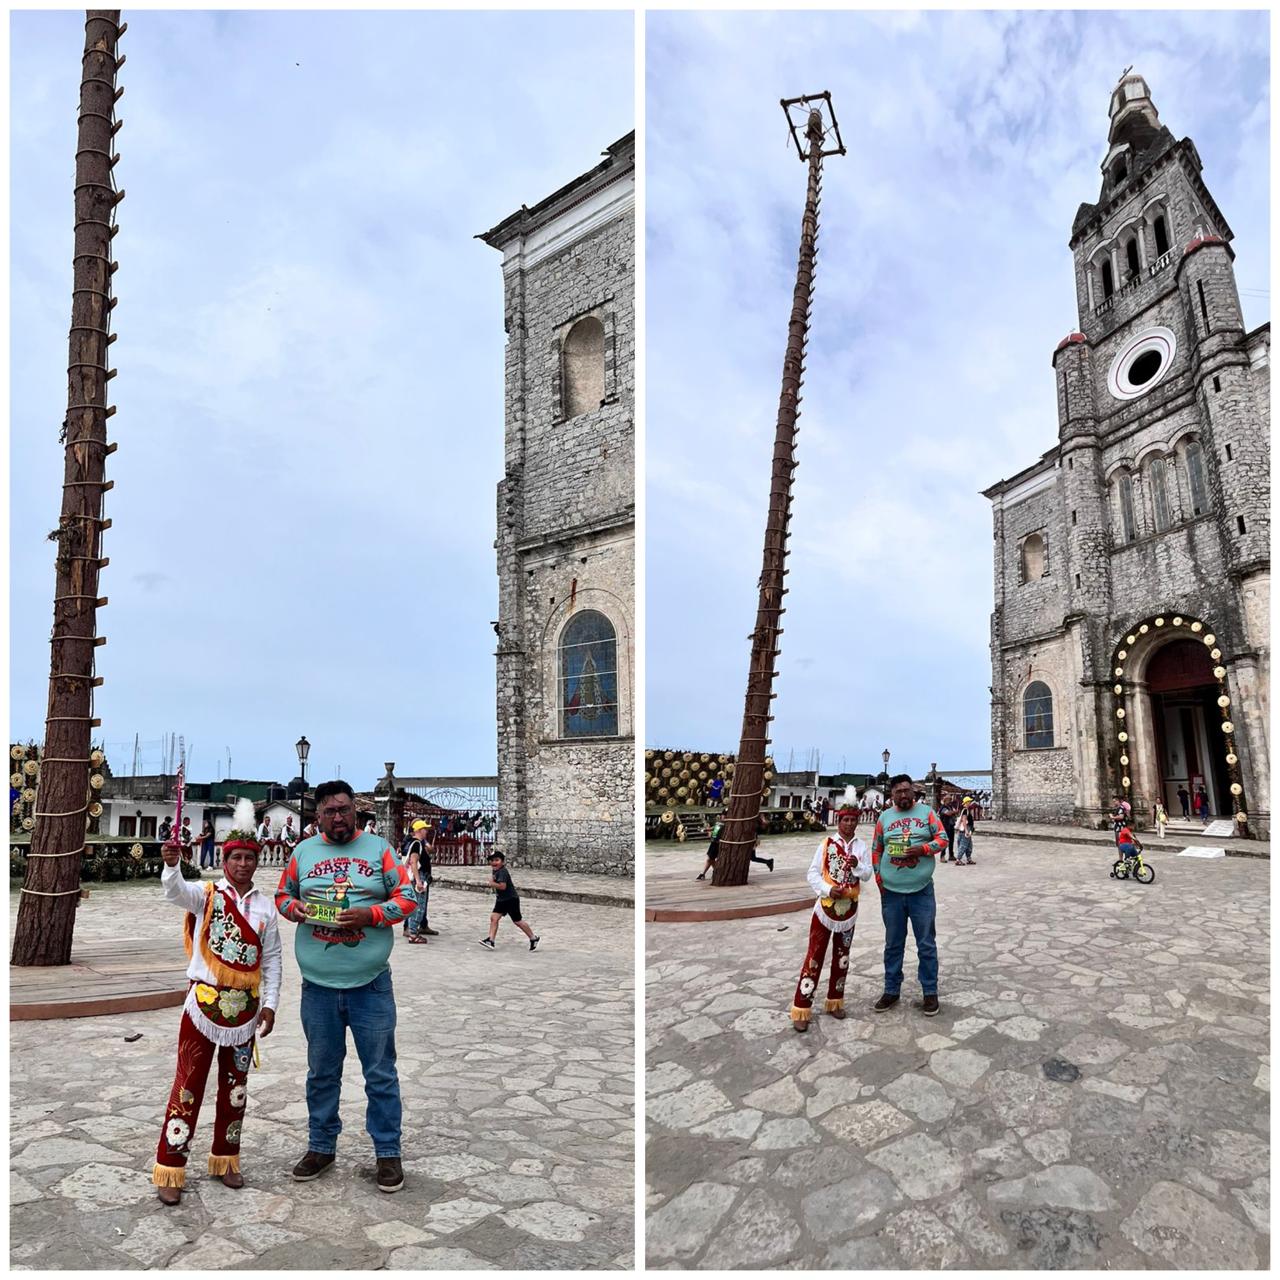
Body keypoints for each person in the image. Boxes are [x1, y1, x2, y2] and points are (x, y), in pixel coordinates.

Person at [275, 780, 417, 1193]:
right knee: (321, 1073)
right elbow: (283, 895)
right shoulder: (302, 853)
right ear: (317, 816)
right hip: (318, 988)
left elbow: (407, 895)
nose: (337, 817)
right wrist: (295, 909)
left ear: (356, 810)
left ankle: (388, 1154)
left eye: (343, 809)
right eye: (328, 812)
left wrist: (371, 915)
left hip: (370, 986)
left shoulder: (379, 850)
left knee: (380, 1074)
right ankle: (321, 1146)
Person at [152, 799, 281, 1204]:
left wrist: (271, 1003)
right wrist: (172, 864)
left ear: (256, 861)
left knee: (235, 1089)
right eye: (236, 857)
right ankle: (170, 1168)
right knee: (188, 1084)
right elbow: (175, 892)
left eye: (249, 857)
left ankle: (227, 1159)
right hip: (202, 1006)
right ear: (225, 860)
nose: (243, 864)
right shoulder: (205, 895)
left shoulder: (265, 906)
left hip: (244, 1011)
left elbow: (272, 957)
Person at [789, 800, 872, 1032]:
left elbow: (867, 874)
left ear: (857, 822)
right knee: (815, 955)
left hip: (849, 910)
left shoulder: (861, 846)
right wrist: (826, 889)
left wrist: (857, 866)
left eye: (853, 819)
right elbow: (813, 873)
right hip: (825, 908)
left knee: (842, 957)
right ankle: (801, 1006)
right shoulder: (826, 843)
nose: (849, 823)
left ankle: (835, 1000)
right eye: (845, 819)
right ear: (839, 821)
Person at [870, 774, 949, 1016]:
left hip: (921, 891)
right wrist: (879, 878)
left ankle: (929, 992)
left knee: (925, 944)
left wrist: (924, 849)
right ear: (892, 795)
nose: (903, 795)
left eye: (906, 790)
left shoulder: (927, 813)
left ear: (913, 791)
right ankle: (891, 990)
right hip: (891, 893)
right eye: (898, 792)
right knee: (893, 944)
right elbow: (876, 848)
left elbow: (943, 839)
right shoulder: (885, 817)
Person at [478, 850, 539, 950]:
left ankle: (533, 938)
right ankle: (491, 940)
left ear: (502, 862)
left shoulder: (502, 872)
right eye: (492, 860)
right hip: (502, 900)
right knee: (494, 918)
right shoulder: (496, 870)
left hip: (510, 899)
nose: (494, 863)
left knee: (517, 921)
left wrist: (492, 883)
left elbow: (502, 886)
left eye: (497, 860)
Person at [404, 820, 438, 941]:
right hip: (419, 877)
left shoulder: (417, 843)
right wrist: (418, 880)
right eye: (424, 829)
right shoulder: (417, 844)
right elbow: (413, 862)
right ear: (419, 830)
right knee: (419, 905)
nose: (426, 832)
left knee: (416, 904)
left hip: (420, 876)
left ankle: (412, 930)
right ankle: (413, 933)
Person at [955, 797, 977, 865]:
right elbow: (964, 821)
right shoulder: (965, 810)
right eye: (969, 801)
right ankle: (958, 859)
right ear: (966, 802)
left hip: (968, 828)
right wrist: (966, 830)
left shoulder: (966, 810)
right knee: (963, 844)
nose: (970, 803)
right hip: (966, 829)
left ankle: (969, 858)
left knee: (969, 845)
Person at [939, 795, 958, 863]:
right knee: (945, 842)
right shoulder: (943, 807)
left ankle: (951, 855)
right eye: (949, 800)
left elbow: (953, 812)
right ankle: (942, 856)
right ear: (945, 800)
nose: (950, 801)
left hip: (951, 826)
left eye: (950, 800)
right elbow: (948, 813)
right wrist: (954, 812)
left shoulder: (949, 807)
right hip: (945, 827)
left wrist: (954, 812)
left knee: (951, 841)